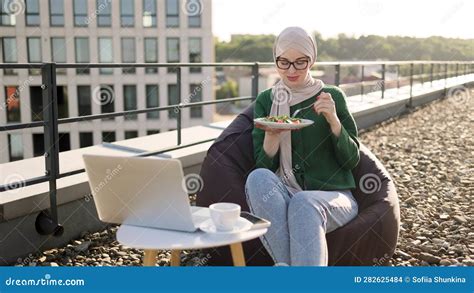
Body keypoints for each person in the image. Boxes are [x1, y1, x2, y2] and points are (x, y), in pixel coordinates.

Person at [245, 27, 360, 266]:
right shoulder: (266, 100)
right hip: (285, 191)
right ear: (275, 59)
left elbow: (352, 161)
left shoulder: (331, 96)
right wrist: (272, 137)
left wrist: (334, 121)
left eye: (300, 62)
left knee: (303, 203)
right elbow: (263, 165)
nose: (291, 70)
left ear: (312, 60)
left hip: (334, 197)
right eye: (284, 62)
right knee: (257, 178)